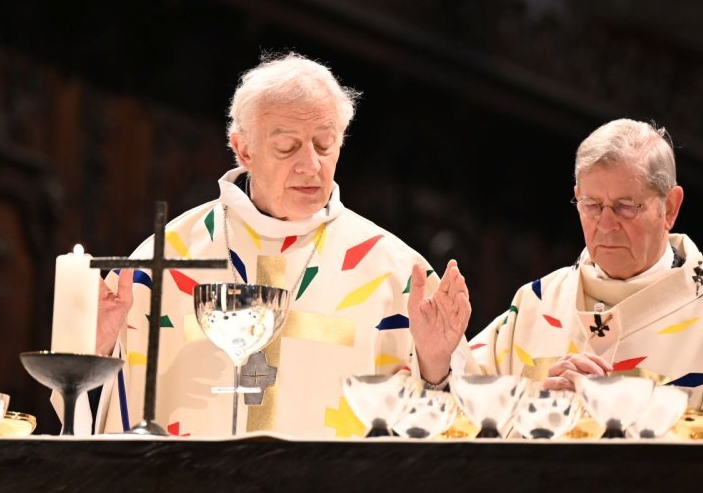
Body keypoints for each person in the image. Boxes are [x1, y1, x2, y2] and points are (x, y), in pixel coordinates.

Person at [90, 53, 470, 437]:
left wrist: (435, 364)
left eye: (324, 145)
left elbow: (451, 442)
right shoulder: (167, 259)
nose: (310, 165)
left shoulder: (396, 272)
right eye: (288, 147)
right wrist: (96, 349)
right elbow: (103, 408)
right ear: (244, 150)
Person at [467, 118, 703, 438]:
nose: (605, 225)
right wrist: (539, 417)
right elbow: (461, 422)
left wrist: (620, 423)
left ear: (671, 207)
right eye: (592, 205)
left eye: (625, 207)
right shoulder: (534, 305)